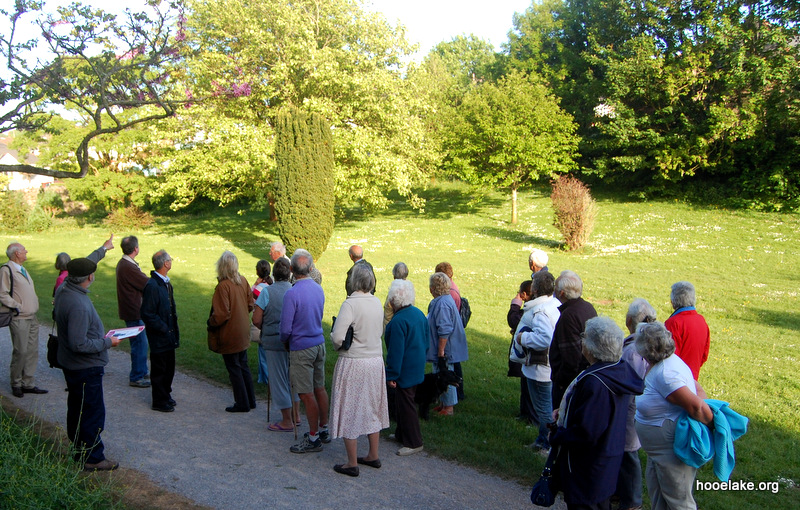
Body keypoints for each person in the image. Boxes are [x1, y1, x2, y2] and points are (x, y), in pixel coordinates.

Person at [551, 316, 644, 510]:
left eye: (584, 337)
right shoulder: (617, 371)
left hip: (588, 466)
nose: (581, 341)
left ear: (592, 346)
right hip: (607, 459)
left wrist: (557, 434)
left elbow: (587, 431)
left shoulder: (596, 382)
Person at [634, 322, 713, 510]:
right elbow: (697, 387)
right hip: (659, 453)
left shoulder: (666, 374)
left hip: (670, 452)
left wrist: (714, 426)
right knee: (661, 499)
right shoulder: (665, 364)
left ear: (646, 349)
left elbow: (696, 407)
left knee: (680, 503)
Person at [54, 257, 123, 471]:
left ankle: (80, 450)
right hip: (85, 368)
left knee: (78, 409)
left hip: (74, 366)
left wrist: (101, 250)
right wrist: (107, 342)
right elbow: (78, 343)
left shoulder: (65, 289)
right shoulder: (78, 305)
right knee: (91, 412)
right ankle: (92, 457)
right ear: (90, 277)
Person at [329, 264, 389, 476]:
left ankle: (351, 462)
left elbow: (338, 337)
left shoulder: (350, 304)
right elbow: (380, 330)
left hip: (354, 362)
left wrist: (336, 342)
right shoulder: (376, 303)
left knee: (350, 409)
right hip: (374, 361)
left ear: (352, 281)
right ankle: (373, 454)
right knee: (372, 407)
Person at [281, 249, 331, 453]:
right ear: (311, 268)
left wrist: (285, 342)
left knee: (306, 393)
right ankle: (323, 428)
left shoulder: (292, 293)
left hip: (302, 347)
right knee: (319, 387)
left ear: (292, 269)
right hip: (319, 343)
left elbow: (285, 328)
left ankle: (313, 437)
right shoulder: (318, 289)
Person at [616, 299, 656, 510]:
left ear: (629, 320)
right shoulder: (647, 343)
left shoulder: (632, 351)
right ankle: (621, 496)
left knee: (629, 455)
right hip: (643, 408)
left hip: (631, 408)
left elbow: (629, 383)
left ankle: (632, 503)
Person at [514, 270, 560, 452]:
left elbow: (544, 339)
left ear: (535, 288)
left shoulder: (541, 311)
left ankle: (547, 445)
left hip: (540, 369)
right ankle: (542, 440)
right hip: (547, 366)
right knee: (545, 407)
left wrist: (522, 338)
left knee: (543, 409)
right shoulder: (555, 304)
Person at [252, 257, 299, 432]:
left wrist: (266, 324)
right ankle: (296, 416)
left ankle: (287, 420)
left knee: (278, 380)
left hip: (273, 341)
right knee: (292, 378)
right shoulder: (294, 290)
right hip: (292, 341)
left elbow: (256, 320)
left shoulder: (267, 292)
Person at [207, 251, 256, 413]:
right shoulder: (242, 281)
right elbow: (250, 304)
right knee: (243, 365)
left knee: (234, 368)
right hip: (242, 330)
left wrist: (211, 323)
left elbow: (221, 314)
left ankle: (242, 403)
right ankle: (250, 400)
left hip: (230, 332)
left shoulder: (223, 286)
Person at [385, 279, 428, 456]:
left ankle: (414, 441)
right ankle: (401, 434)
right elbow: (427, 341)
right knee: (403, 402)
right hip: (418, 365)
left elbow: (395, 352)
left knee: (406, 404)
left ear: (393, 301)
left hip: (404, 370)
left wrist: (391, 375)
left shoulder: (397, 322)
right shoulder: (418, 314)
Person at [1, 242, 47, 398]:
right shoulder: (7, 270)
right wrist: (17, 306)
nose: (26, 251)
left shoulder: (22, 269)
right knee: (21, 351)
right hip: (19, 317)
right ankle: (16, 383)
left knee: (32, 351)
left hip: (31, 317)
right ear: (16, 254)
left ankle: (28, 383)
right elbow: (2, 293)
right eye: (23, 250)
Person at [550, 270, 597, 408]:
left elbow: (571, 357)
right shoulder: (587, 307)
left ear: (562, 293)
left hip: (570, 382)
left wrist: (561, 383)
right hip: (585, 374)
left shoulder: (569, 315)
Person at [140, 250, 179, 413]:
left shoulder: (165, 283)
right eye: (170, 259)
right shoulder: (152, 285)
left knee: (169, 367)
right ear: (165, 264)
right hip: (160, 336)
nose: (171, 262)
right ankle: (159, 400)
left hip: (169, 334)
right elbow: (147, 313)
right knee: (159, 369)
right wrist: (163, 328)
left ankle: (165, 394)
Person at [426, 272, 468, 416]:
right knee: (439, 373)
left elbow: (444, 329)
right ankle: (443, 403)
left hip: (446, 348)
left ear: (433, 288)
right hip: (446, 347)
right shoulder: (444, 300)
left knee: (445, 374)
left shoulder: (442, 304)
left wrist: (441, 351)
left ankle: (449, 407)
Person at [115, 235, 151, 388]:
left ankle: (141, 370)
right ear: (136, 248)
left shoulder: (124, 264)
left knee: (140, 342)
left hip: (131, 309)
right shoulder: (128, 266)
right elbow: (146, 283)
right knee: (139, 343)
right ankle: (136, 376)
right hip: (134, 310)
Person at [665, 281, 710, 380]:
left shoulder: (673, 323)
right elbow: (704, 355)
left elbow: (669, 357)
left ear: (673, 302)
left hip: (675, 381)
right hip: (693, 379)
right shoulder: (701, 320)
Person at [435, 261, 465, 399]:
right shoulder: (451, 290)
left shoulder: (447, 296)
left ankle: (449, 404)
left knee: (449, 372)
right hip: (450, 341)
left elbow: (445, 325)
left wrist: (441, 349)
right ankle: (446, 403)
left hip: (448, 343)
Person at [507, 279, 535, 423]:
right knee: (525, 383)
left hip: (528, 353)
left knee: (529, 385)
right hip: (527, 354)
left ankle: (531, 416)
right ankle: (525, 412)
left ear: (524, 294)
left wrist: (514, 306)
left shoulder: (531, 308)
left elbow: (514, 320)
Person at [252, 259, 272, 386]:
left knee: (263, 353)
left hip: (262, 322)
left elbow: (249, 298)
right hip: (271, 321)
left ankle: (265, 378)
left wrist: (254, 284)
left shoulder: (258, 289)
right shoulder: (272, 284)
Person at [383, 262, 409, 328]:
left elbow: (388, 316)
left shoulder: (394, 293)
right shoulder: (409, 289)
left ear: (394, 276)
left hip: (393, 327)